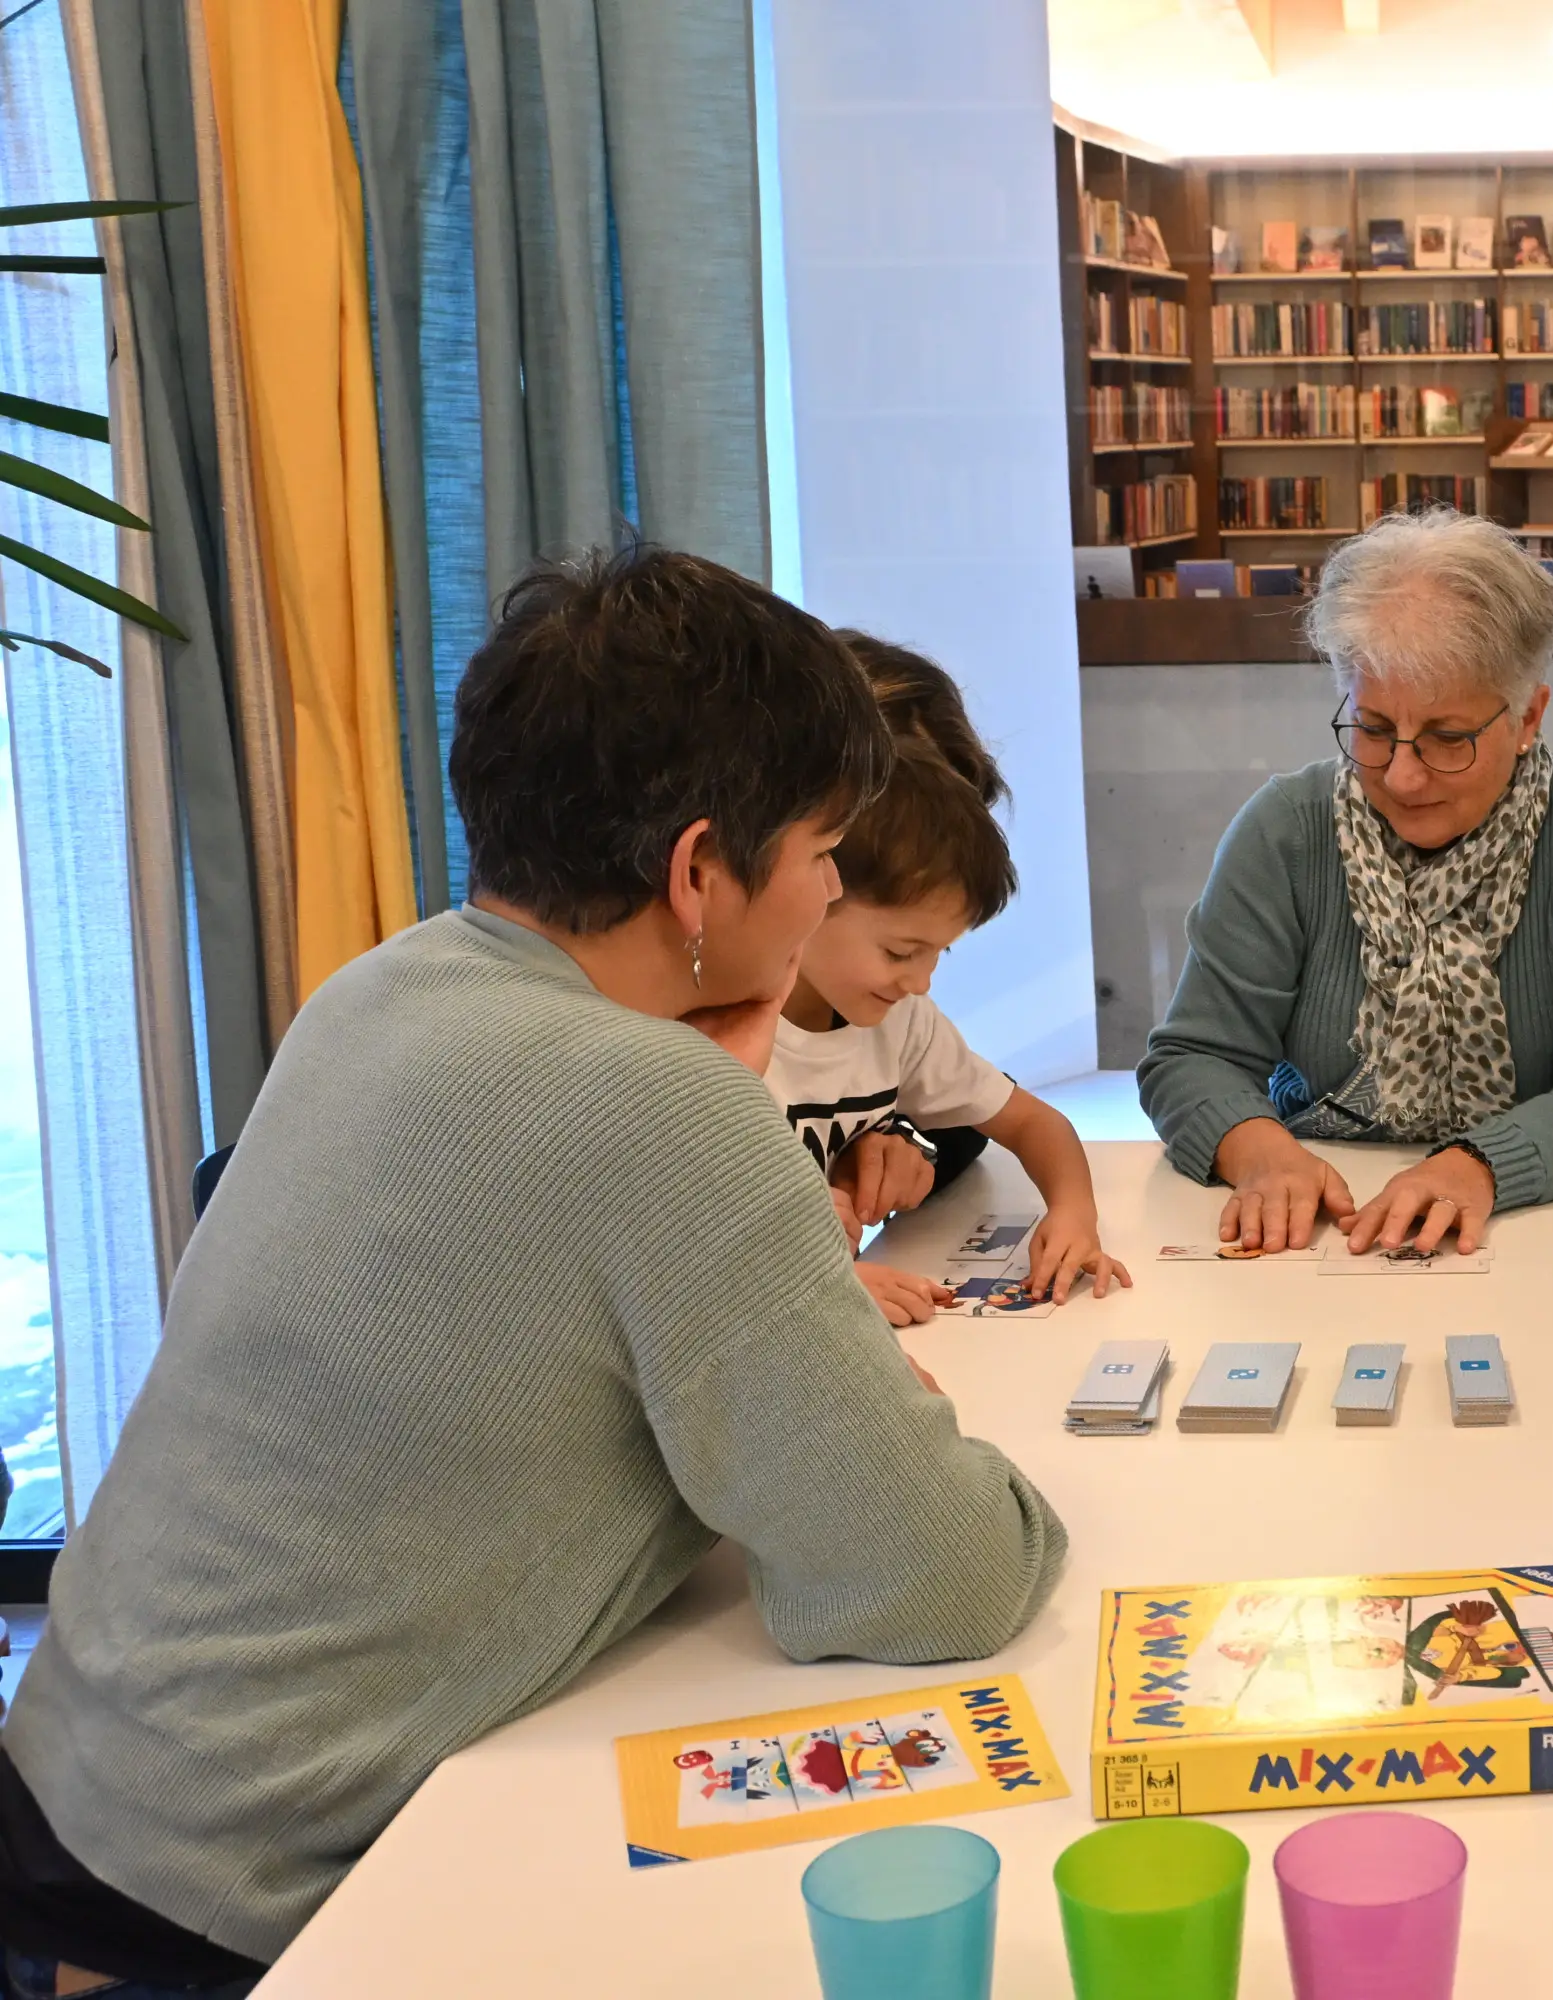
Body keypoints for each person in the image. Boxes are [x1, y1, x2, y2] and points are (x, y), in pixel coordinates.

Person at [0, 549, 1067, 1995]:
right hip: (252, 1898)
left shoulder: (379, 986)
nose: (830, 887)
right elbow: (942, 1576)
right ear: (699, 871)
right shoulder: (659, 1107)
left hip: (77, 1780)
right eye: (825, 849)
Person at [1138, 509, 1553, 1257]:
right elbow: (1193, 1058)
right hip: (1322, 1231)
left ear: (1528, 717)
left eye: (1448, 738)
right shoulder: (1288, 829)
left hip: (1533, 1234)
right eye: (1374, 728)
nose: (1402, 776)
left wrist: (1477, 1166)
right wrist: (1261, 1152)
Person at [768, 634, 1130, 1322]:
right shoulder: (716, 1036)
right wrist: (815, 1281)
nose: (920, 982)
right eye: (901, 951)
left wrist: (1073, 1212)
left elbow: (1019, 1121)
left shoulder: (897, 1019)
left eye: (939, 953)